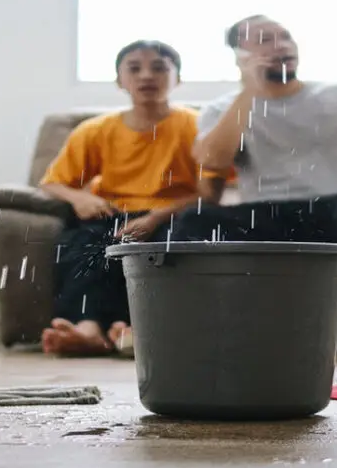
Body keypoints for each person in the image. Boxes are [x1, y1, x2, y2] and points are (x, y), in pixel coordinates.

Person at [176, 15, 337, 359]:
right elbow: (214, 160)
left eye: (285, 37)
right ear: (239, 55)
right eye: (265, 39)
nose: (280, 45)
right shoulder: (223, 108)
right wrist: (250, 89)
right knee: (193, 221)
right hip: (270, 213)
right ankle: (196, 335)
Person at [38, 40, 233, 357]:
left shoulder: (197, 126)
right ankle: (88, 329)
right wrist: (78, 197)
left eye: (159, 67)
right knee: (83, 246)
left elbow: (209, 192)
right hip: (113, 215)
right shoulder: (96, 130)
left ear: (177, 79)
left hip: (173, 216)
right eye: (134, 68)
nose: (146, 76)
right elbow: (52, 183)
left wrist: (153, 219)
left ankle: (141, 329)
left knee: (172, 250)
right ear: (119, 80)